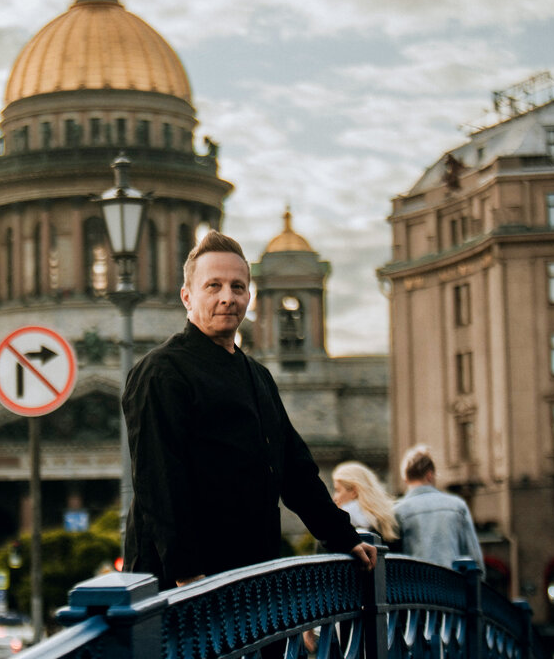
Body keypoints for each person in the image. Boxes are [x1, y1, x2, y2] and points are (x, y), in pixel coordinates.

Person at [122, 231, 377, 589]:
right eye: (213, 286)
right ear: (187, 296)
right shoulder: (161, 372)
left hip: (251, 575)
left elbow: (296, 471)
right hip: (184, 587)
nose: (228, 298)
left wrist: (344, 537)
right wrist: (188, 574)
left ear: (249, 297)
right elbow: (159, 480)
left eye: (237, 287)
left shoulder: (257, 376)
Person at [392, 444, 483, 569]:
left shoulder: (397, 511)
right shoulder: (457, 506)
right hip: (451, 584)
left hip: (415, 585)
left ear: (405, 478)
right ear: (430, 475)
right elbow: (474, 557)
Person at [332, 461, 399, 543]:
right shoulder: (390, 520)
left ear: (354, 491)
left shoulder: (339, 526)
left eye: (338, 490)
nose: (334, 497)